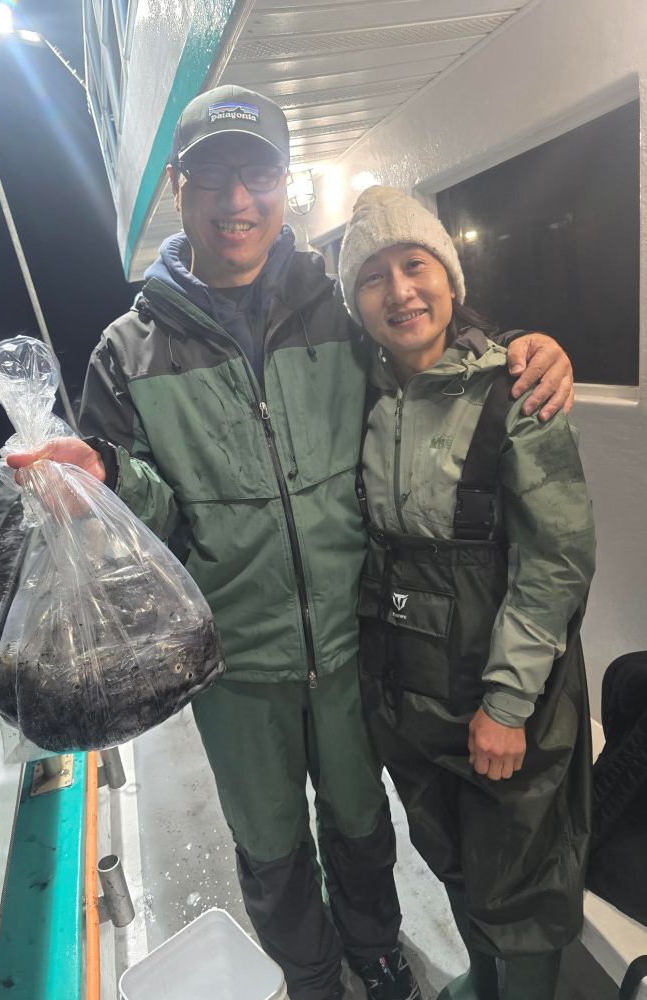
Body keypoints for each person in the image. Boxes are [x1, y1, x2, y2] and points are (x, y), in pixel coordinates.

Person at [8, 87, 575, 1000]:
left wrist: (525, 346)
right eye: (215, 177)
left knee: (361, 820)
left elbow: (429, 349)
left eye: (259, 173)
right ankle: (312, 976)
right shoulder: (127, 350)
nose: (238, 200)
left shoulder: (337, 306)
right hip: (234, 664)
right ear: (182, 189)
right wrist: (100, 482)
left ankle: (378, 951)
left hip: (360, 644)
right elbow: (148, 521)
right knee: (270, 844)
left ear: (283, 183)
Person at [337, 185, 595, 1000]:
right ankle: (481, 984)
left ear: (451, 277)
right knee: (448, 852)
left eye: (415, 265)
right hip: (408, 693)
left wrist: (510, 703)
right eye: (373, 277)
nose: (400, 290)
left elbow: (556, 559)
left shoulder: (518, 387)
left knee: (518, 879)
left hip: (500, 687)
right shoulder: (359, 393)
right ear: (356, 303)